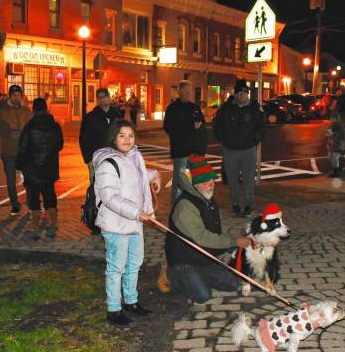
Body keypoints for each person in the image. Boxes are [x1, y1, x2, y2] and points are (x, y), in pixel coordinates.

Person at [93, 120, 161, 328]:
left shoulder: (132, 156)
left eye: (131, 135)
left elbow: (136, 177)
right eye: (122, 135)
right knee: (116, 267)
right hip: (116, 223)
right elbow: (109, 196)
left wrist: (155, 175)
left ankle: (131, 301)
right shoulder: (108, 162)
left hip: (134, 222)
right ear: (113, 137)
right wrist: (136, 212)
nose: (127, 140)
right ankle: (114, 309)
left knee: (135, 263)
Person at [164, 154, 253, 303]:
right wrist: (234, 241)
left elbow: (217, 231)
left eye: (212, 180)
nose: (211, 184)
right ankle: (171, 274)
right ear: (195, 184)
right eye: (206, 181)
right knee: (203, 296)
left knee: (232, 283)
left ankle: (198, 277)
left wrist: (231, 247)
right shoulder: (185, 206)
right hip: (183, 261)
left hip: (204, 258)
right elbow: (203, 237)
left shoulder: (208, 201)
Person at [213, 79, 265, 217]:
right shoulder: (226, 108)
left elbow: (262, 126)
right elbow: (216, 125)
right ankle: (235, 204)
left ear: (248, 94)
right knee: (232, 179)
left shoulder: (254, 108)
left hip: (248, 149)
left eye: (245, 93)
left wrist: (255, 139)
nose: (243, 95)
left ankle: (249, 205)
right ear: (235, 94)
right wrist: (223, 139)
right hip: (230, 150)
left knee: (249, 180)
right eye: (240, 93)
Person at [16, 98, 63, 231]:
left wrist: (19, 166)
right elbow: (59, 145)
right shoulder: (55, 126)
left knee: (34, 194)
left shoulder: (29, 127)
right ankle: (53, 220)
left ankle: (35, 222)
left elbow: (23, 148)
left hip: (32, 168)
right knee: (49, 192)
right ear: (46, 109)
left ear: (34, 110)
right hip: (50, 166)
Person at [0, 84, 32, 216]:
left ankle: (32, 204)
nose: (16, 97)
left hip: (24, 152)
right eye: (13, 95)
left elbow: (33, 128)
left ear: (21, 96)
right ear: (10, 96)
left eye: (18, 94)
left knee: (29, 179)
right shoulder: (2, 111)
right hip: (8, 152)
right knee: (10, 180)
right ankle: (15, 205)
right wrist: (8, 133)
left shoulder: (27, 111)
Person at [163, 80, 207, 204]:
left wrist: (199, 128)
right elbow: (168, 127)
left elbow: (202, 125)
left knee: (194, 181)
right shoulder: (172, 108)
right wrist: (189, 127)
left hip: (195, 151)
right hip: (181, 150)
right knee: (179, 181)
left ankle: (192, 205)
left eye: (190, 91)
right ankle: (176, 206)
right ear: (180, 91)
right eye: (186, 91)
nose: (188, 93)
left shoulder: (194, 108)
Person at [79, 88, 121, 183]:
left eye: (104, 97)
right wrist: (88, 159)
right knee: (96, 186)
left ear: (109, 98)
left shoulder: (116, 115)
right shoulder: (90, 117)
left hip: (114, 157)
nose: (102, 100)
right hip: (96, 158)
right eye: (99, 97)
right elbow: (83, 139)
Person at [325, 111, 345, 177]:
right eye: (331, 118)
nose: (331, 119)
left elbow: (342, 134)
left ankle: (336, 171)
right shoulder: (332, 124)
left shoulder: (338, 125)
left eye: (333, 118)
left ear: (336, 118)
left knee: (334, 157)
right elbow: (327, 133)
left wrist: (332, 134)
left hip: (337, 143)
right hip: (332, 143)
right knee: (330, 157)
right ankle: (338, 167)